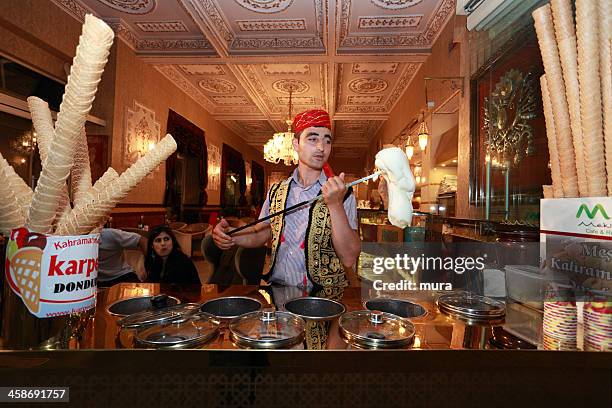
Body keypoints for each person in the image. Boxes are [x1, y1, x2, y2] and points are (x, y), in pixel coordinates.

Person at [213, 109, 360, 288]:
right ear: (296, 144)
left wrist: (335, 204)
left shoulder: (343, 194)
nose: (322, 147)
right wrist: (231, 236)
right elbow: (261, 233)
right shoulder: (275, 191)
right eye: (313, 139)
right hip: (278, 290)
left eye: (327, 140)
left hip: (323, 296)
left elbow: (349, 258)